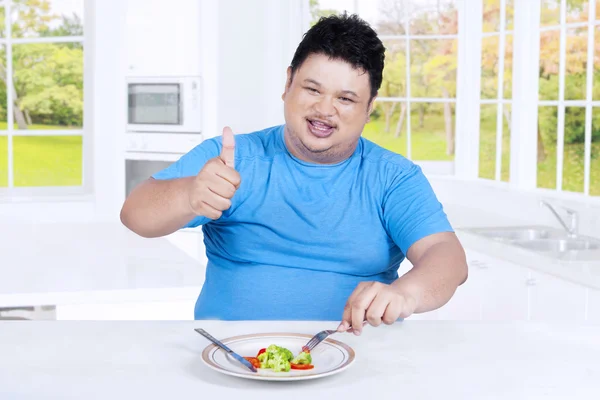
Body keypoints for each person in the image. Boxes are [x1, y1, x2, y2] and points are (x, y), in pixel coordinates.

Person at [120, 13, 468, 335]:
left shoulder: (393, 177)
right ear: (288, 83)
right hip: (231, 358)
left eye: (346, 98)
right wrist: (188, 194)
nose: (324, 109)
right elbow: (135, 214)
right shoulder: (230, 159)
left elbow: (447, 256)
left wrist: (406, 294)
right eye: (313, 89)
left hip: (358, 361)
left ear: (369, 108)